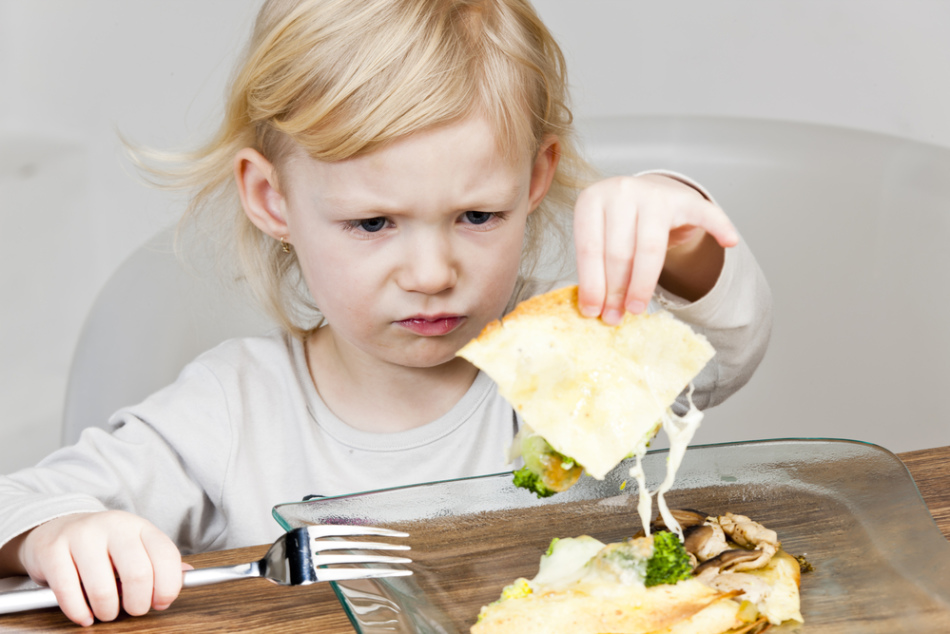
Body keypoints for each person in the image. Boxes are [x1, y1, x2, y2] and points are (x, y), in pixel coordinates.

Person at [0, 0, 771, 627]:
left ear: (537, 179)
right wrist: (61, 533)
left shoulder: (567, 373)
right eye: (373, 225)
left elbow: (722, 345)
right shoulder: (231, 409)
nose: (433, 274)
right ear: (273, 199)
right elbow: (18, 502)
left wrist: (681, 237)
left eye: (477, 216)